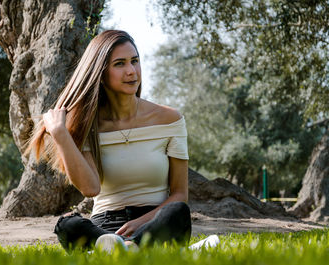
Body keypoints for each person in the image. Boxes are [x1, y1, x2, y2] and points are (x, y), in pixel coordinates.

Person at [26, 30, 217, 251]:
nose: (131, 71)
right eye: (119, 64)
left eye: (134, 61)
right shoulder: (87, 125)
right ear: (101, 73)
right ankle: (132, 249)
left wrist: (139, 223)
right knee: (67, 224)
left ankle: (120, 250)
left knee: (177, 212)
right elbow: (90, 188)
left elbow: (179, 194)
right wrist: (60, 134)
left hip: (154, 220)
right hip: (106, 228)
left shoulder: (170, 120)